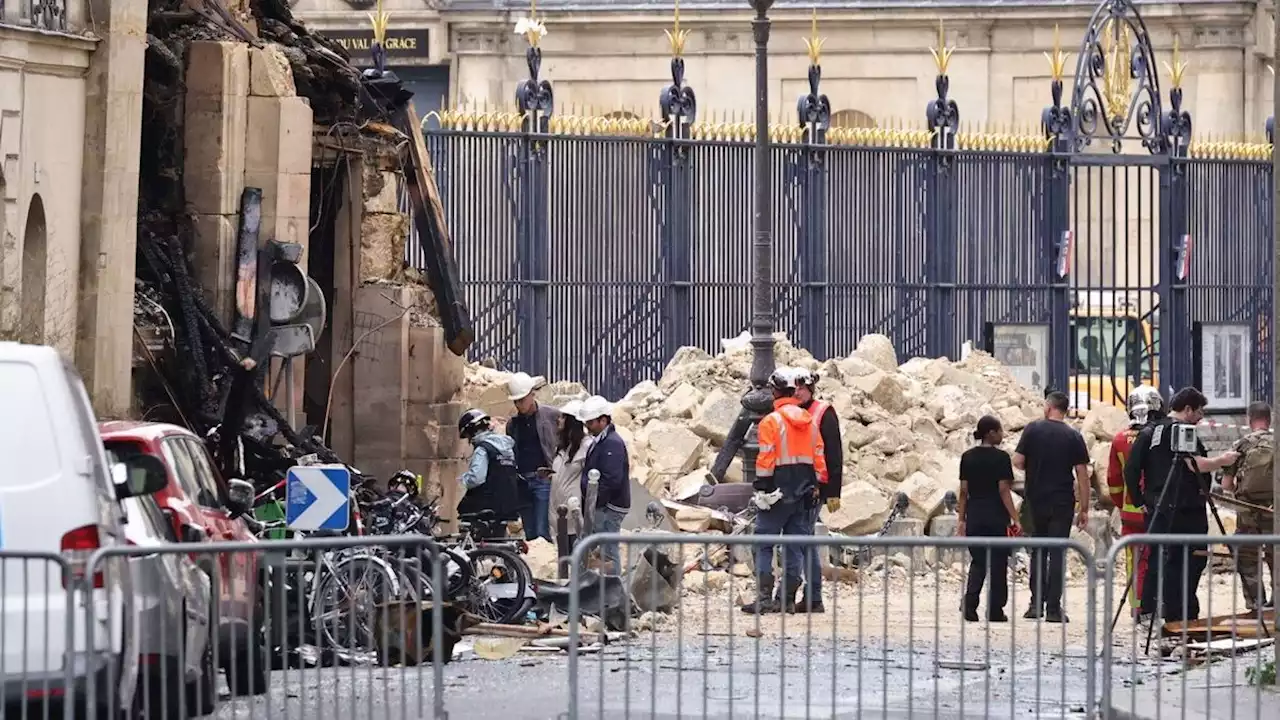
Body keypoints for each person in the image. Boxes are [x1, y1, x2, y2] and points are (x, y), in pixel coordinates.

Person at [1126, 387, 1239, 626]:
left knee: (1159, 557)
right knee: (1189, 559)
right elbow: (1194, 464)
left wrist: (1140, 500)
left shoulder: (1151, 431)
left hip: (1157, 507)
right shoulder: (1181, 431)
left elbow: (1131, 469)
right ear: (1187, 409)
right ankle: (1181, 611)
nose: (1200, 418)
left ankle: (1150, 608)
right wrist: (1222, 461)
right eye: (1199, 412)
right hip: (1185, 509)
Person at [741, 369, 827, 615]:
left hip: (777, 493)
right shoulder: (809, 421)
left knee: (763, 542)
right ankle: (786, 599)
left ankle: (764, 597)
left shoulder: (772, 421)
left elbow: (766, 458)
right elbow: (819, 458)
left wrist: (762, 487)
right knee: (794, 546)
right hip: (804, 493)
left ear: (775, 391)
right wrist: (817, 487)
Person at [1012, 391, 1090, 623]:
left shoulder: (1032, 430)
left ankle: (1036, 604)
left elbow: (1017, 461)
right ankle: (1054, 608)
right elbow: (1083, 474)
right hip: (1063, 501)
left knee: (1038, 550)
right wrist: (1084, 508)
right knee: (1057, 553)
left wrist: (1035, 465)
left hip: (1036, 499)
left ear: (1049, 407)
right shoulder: (1073, 436)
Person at [1107, 385, 1164, 616]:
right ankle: (1156, 603)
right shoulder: (1159, 435)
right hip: (1156, 508)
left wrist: (1122, 503)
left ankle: (1137, 605)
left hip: (1130, 512)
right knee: (1157, 557)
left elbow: (1113, 479)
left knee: (1134, 559)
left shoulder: (1120, 439)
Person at [958, 415, 1020, 622]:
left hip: (975, 513)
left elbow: (963, 491)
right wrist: (1015, 517)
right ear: (991, 433)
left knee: (978, 561)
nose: (1002, 435)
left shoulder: (967, 457)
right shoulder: (1001, 458)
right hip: (995, 515)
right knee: (998, 562)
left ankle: (970, 603)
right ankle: (995, 609)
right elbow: (1004, 490)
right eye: (1000, 430)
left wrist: (961, 519)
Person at [792, 368, 843, 614]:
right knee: (806, 541)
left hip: (815, 487)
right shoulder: (792, 412)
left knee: (804, 540)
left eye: (802, 387)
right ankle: (812, 596)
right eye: (795, 388)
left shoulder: (823, 413)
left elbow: (834, 455)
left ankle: (811, 596)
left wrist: (833, 491)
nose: (797, 392)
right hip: (799, 486)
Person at [1220, 401, 1275, 611]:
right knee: (1276, 557)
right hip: (1274, 513)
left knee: (1248, 558)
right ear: (1269, 420)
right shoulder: (1277, 443)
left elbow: (1226, 484)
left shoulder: (1241, 445)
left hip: (1248, 515)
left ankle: (1256, 603)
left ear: (1249, 419)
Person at [505, 372, 561, 542]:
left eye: (521, 400)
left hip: (542, 479)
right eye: (516, 401)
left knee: (541, 530)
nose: (519, 405)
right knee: (529, 532)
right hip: (522, 482)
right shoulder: (512, 424)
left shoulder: (551, 416)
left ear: (532, 394)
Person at [580, 395, 630, 572]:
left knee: (609, 550)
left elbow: (611, 480)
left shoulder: (612, 444)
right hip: (604, 505)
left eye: (591, 422)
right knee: (603, 548)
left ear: (603, 420)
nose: (587, 427)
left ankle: (613, 589)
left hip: (610, 506)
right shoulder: (602, 440)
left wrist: (598, 502)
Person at [455, 409, 521, 522]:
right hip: (508, 505)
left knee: (462, 508)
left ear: (472, 432)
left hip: (488, 505)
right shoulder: (507, 447)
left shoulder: (483, 449)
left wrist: (463, 479)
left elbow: (476, 479)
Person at [548, 399, 591, 549]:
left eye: (562, 417)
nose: (558, 420)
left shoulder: (586, 446)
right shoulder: (562, 447)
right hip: (557, 512)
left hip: (574, 513)